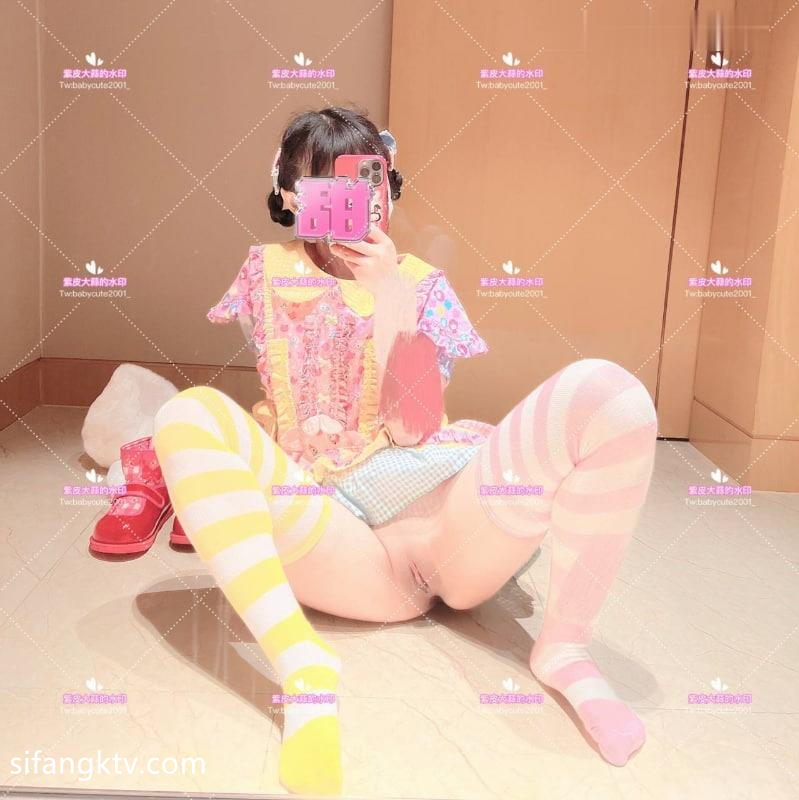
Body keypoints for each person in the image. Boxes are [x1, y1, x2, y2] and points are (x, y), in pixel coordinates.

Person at [151, 106, 658, 796]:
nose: (351, 203)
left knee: (611, 394)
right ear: (290, 195)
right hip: (343, 547)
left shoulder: (418, 284)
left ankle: (564, 648)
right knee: (184, 414)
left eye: (366, 182)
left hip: (453, 532)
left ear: (387, 186)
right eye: (327, 187)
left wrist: (390, 295)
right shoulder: (264, 274)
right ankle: (303, 668)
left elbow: (414, 428)